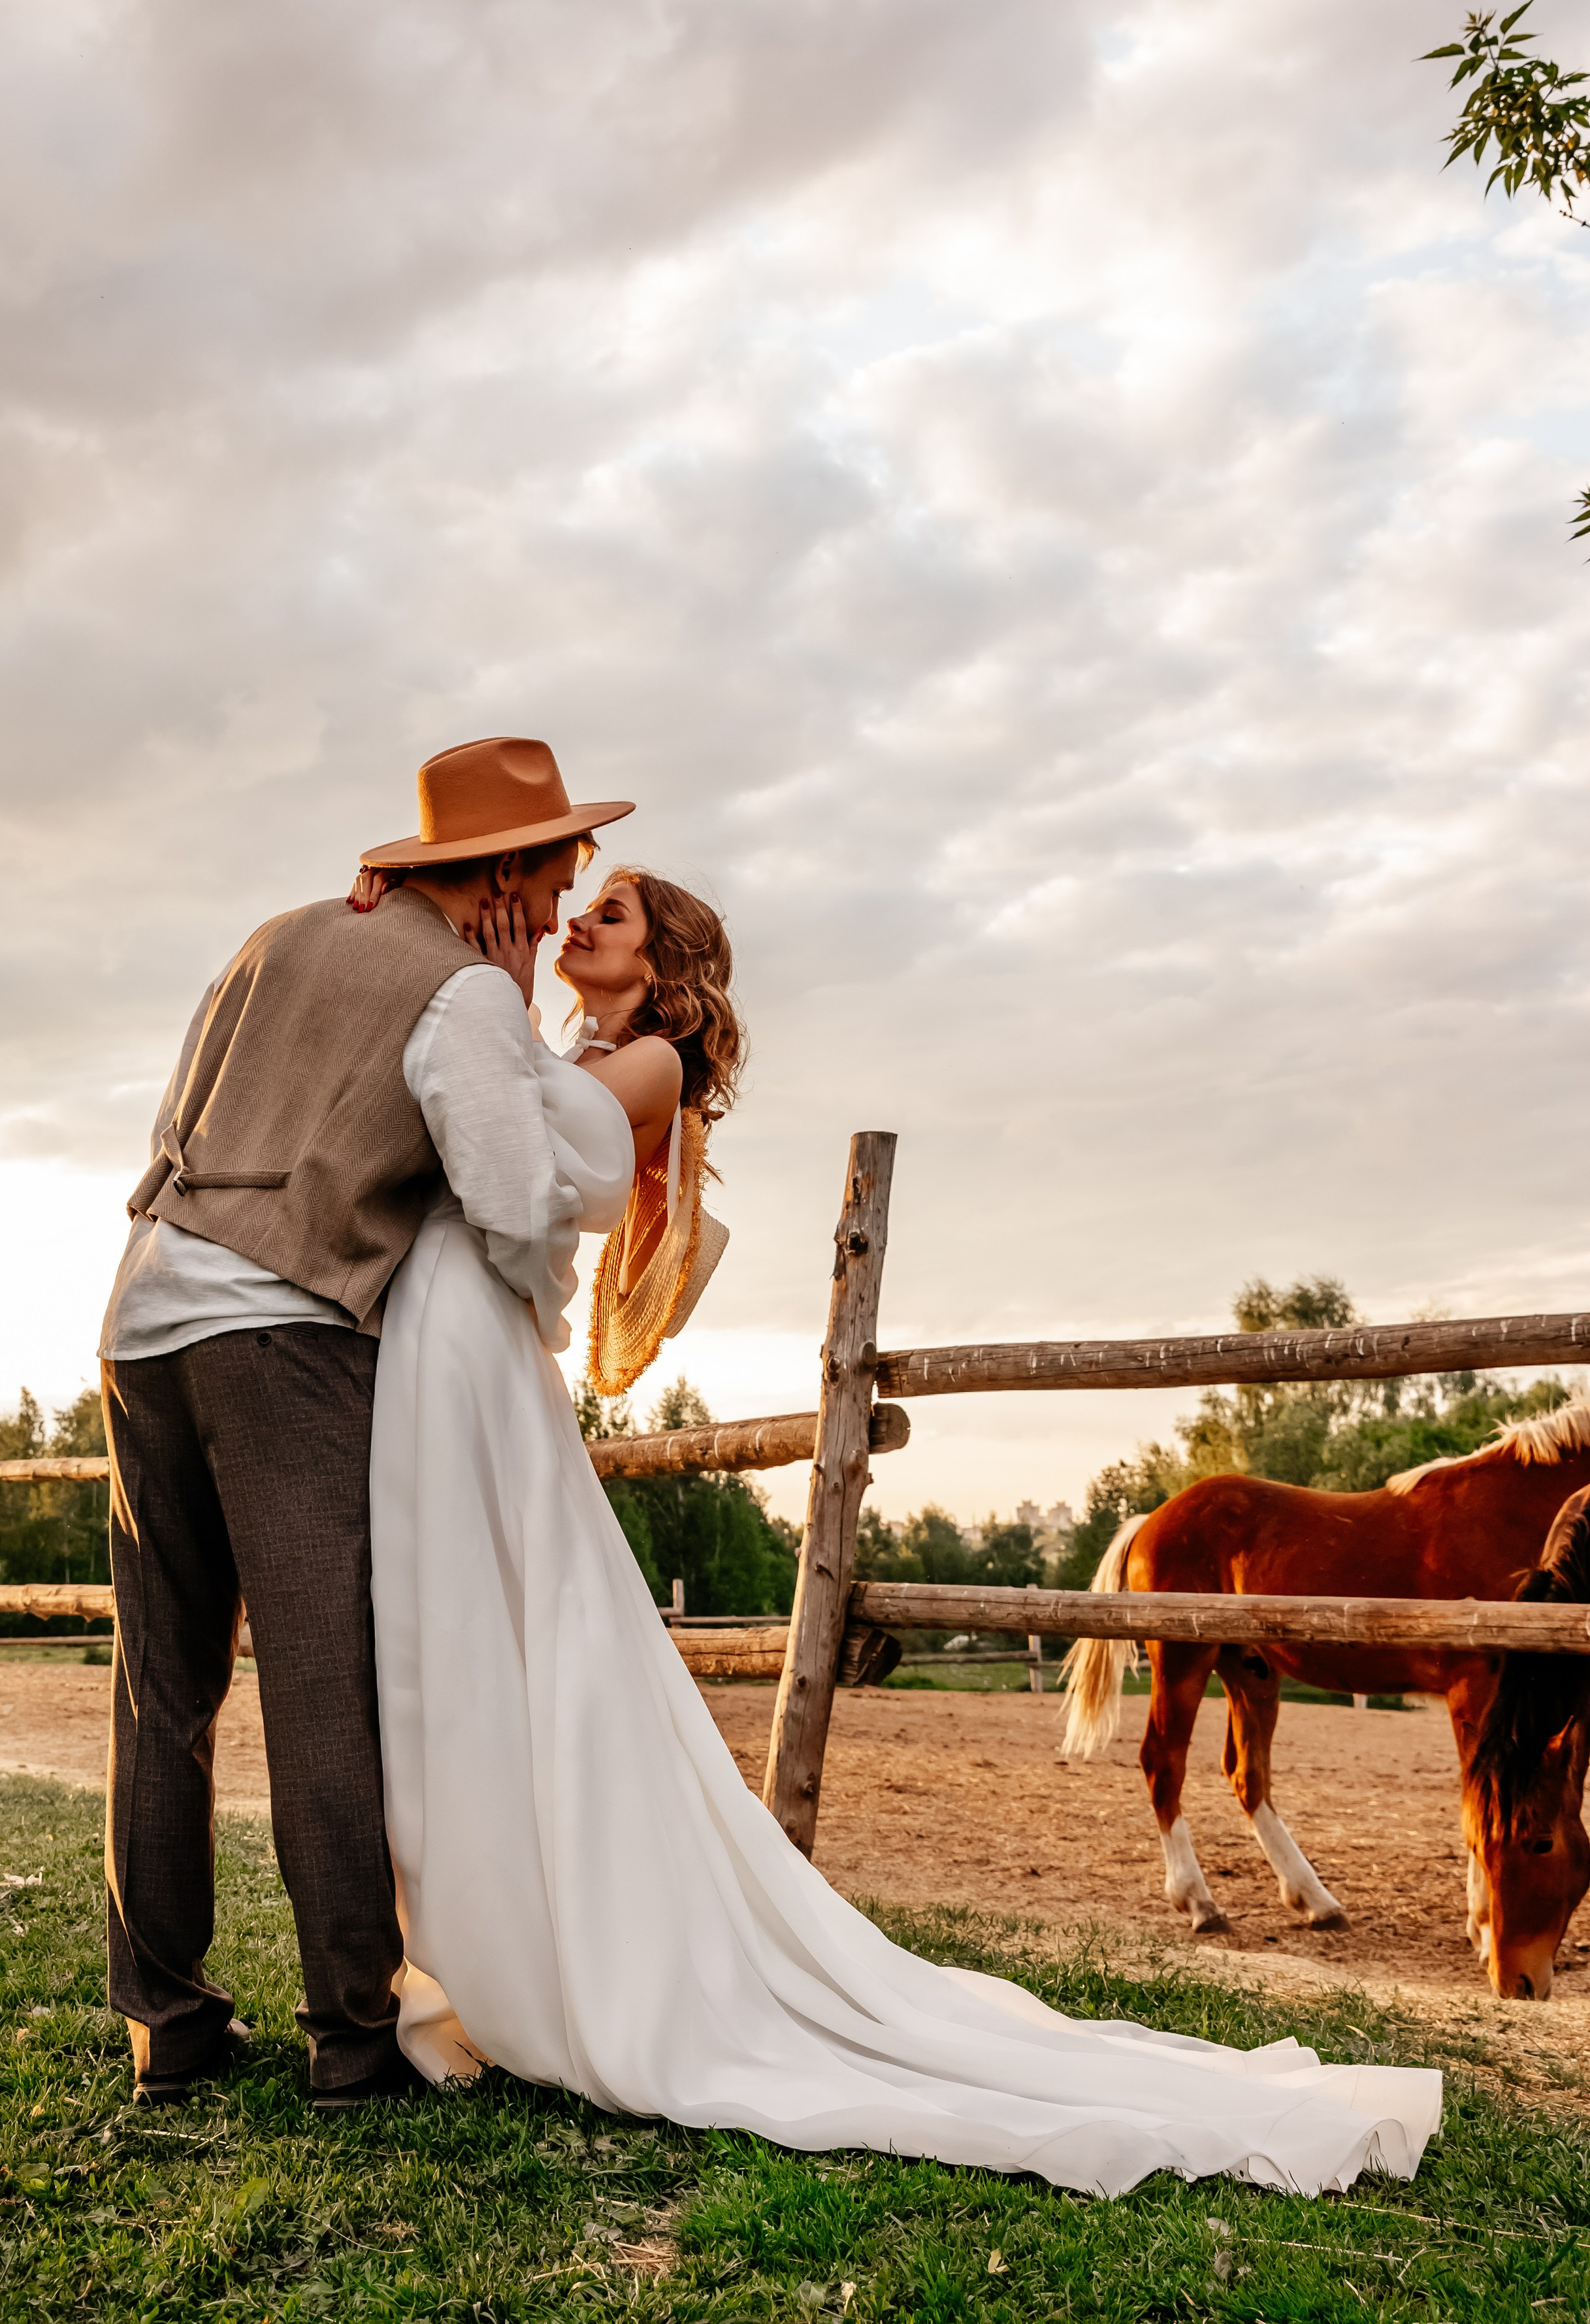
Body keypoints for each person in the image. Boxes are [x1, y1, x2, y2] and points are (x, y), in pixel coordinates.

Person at [370, 869, 1444, 2197]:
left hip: (480, 1353)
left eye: (612, 917)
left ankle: (569, 1964)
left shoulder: (643, 1063)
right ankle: (503, 1940)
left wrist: (474, 987)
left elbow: (503, 1154)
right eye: (574, 906)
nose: (579, 924)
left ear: (664, 970)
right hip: (467, 1358)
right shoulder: (575, 1044)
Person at [97, 736, 630, 2109]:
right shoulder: (455, 993)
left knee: (164, 1685)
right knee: (322, 1676)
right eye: (561, 857)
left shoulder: (271, 939)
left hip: (143, 1312)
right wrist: (534, 1322)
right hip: (283, 1330)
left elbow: (170, 1128)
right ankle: (348, 2028)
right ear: (500, 871)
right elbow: (514, 1204)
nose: (573, 882)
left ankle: (168, 2022)